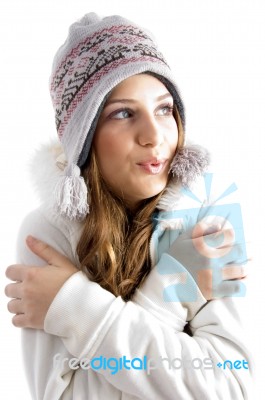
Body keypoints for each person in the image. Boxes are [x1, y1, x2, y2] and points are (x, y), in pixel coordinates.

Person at [5, 12, 252, 400]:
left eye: (164, 109)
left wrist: (76, 306)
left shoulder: (207, 222)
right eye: (123, 113)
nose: (155, 136)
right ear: (85, 138)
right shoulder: (47, 233)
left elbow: (232, 389)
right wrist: (174, 292)